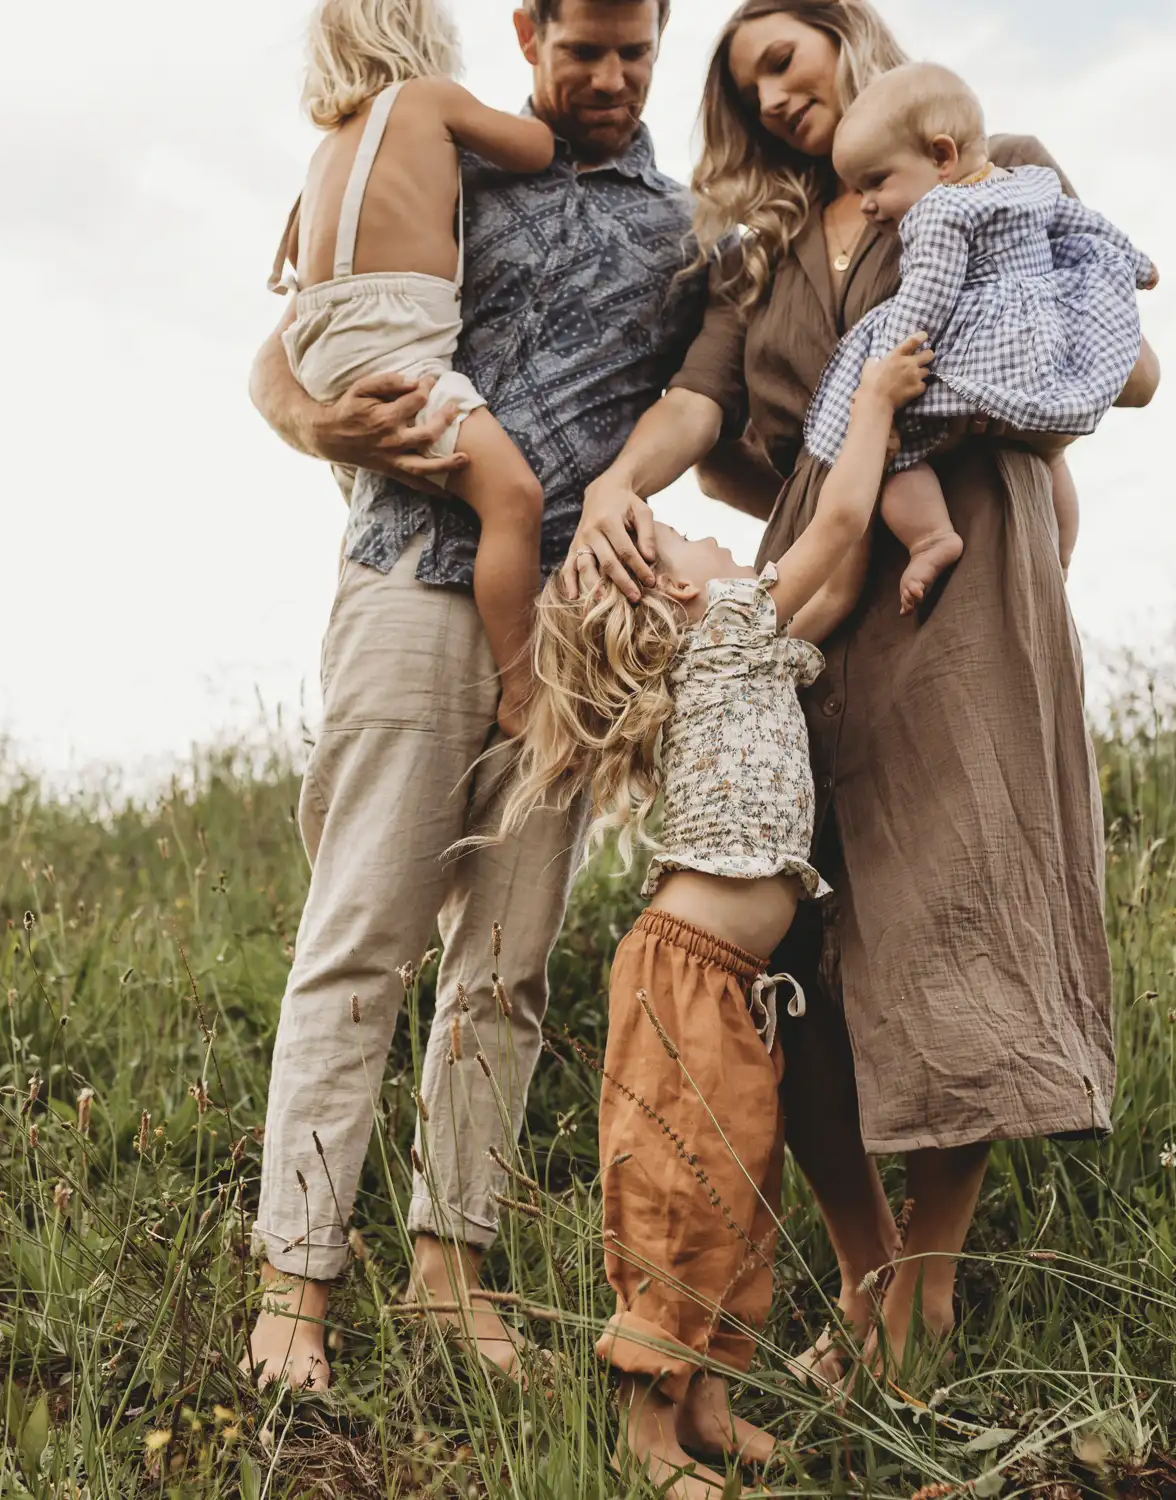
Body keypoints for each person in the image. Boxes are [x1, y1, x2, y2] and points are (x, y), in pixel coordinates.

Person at [566, 0, 1160, 1383]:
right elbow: (701, 411)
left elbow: (1119, 362)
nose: (772, 95)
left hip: (960, 582)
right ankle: (860, 1264)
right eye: (745, 83)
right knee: (803, 951)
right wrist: (615, 481)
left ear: (848, 38)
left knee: (953, 910)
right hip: (817, 583)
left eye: (785, 56)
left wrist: (946, 398)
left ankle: (928, 1291)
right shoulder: (756, 254)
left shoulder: (985, 167)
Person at [243, 0, 703, 1394]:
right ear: (527, 32)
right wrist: (305, 417)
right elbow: (292, 333)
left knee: (502, 970)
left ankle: (453, 1273)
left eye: (634, 53)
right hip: (401, 582)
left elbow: (711, 404)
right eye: (584, 52)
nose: (610, 78)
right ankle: (294, 1288)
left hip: (563, 627)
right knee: (360, 937)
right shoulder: (437, 146)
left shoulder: (677, 233)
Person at [503, 336, 933, 1495]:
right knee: (679, 1196)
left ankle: (707, 1401)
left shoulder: (744, 644)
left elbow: (832, 585)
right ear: (681, 594)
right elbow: (834, 538)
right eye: (696, 537)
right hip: (684, 974)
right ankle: (646, 1440)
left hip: (727, 981)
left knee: (740, 1193)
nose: (723, 538)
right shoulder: (725, 635)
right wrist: (879, 407)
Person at [270, 0, 559, 728]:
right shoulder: (430, 99)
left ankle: (355, 630)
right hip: (394, 343)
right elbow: (536, 148)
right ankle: (522, 691)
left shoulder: (326, 152)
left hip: (320, 348)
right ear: (428, 39)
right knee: (514, 499)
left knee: (375, 491)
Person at [807, 61, 1157, 613]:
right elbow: (1080, 223)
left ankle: (930, 537)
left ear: (941, 157)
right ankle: (1059, 557)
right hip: (1040, 341)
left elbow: (929, 297)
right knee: (1052, 458)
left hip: (982, 351)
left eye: (876, 182)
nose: (866, 203)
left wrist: (885, 379)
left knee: (895, 456)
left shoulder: (939, 212)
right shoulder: (1025, 184)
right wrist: (1139, 264)